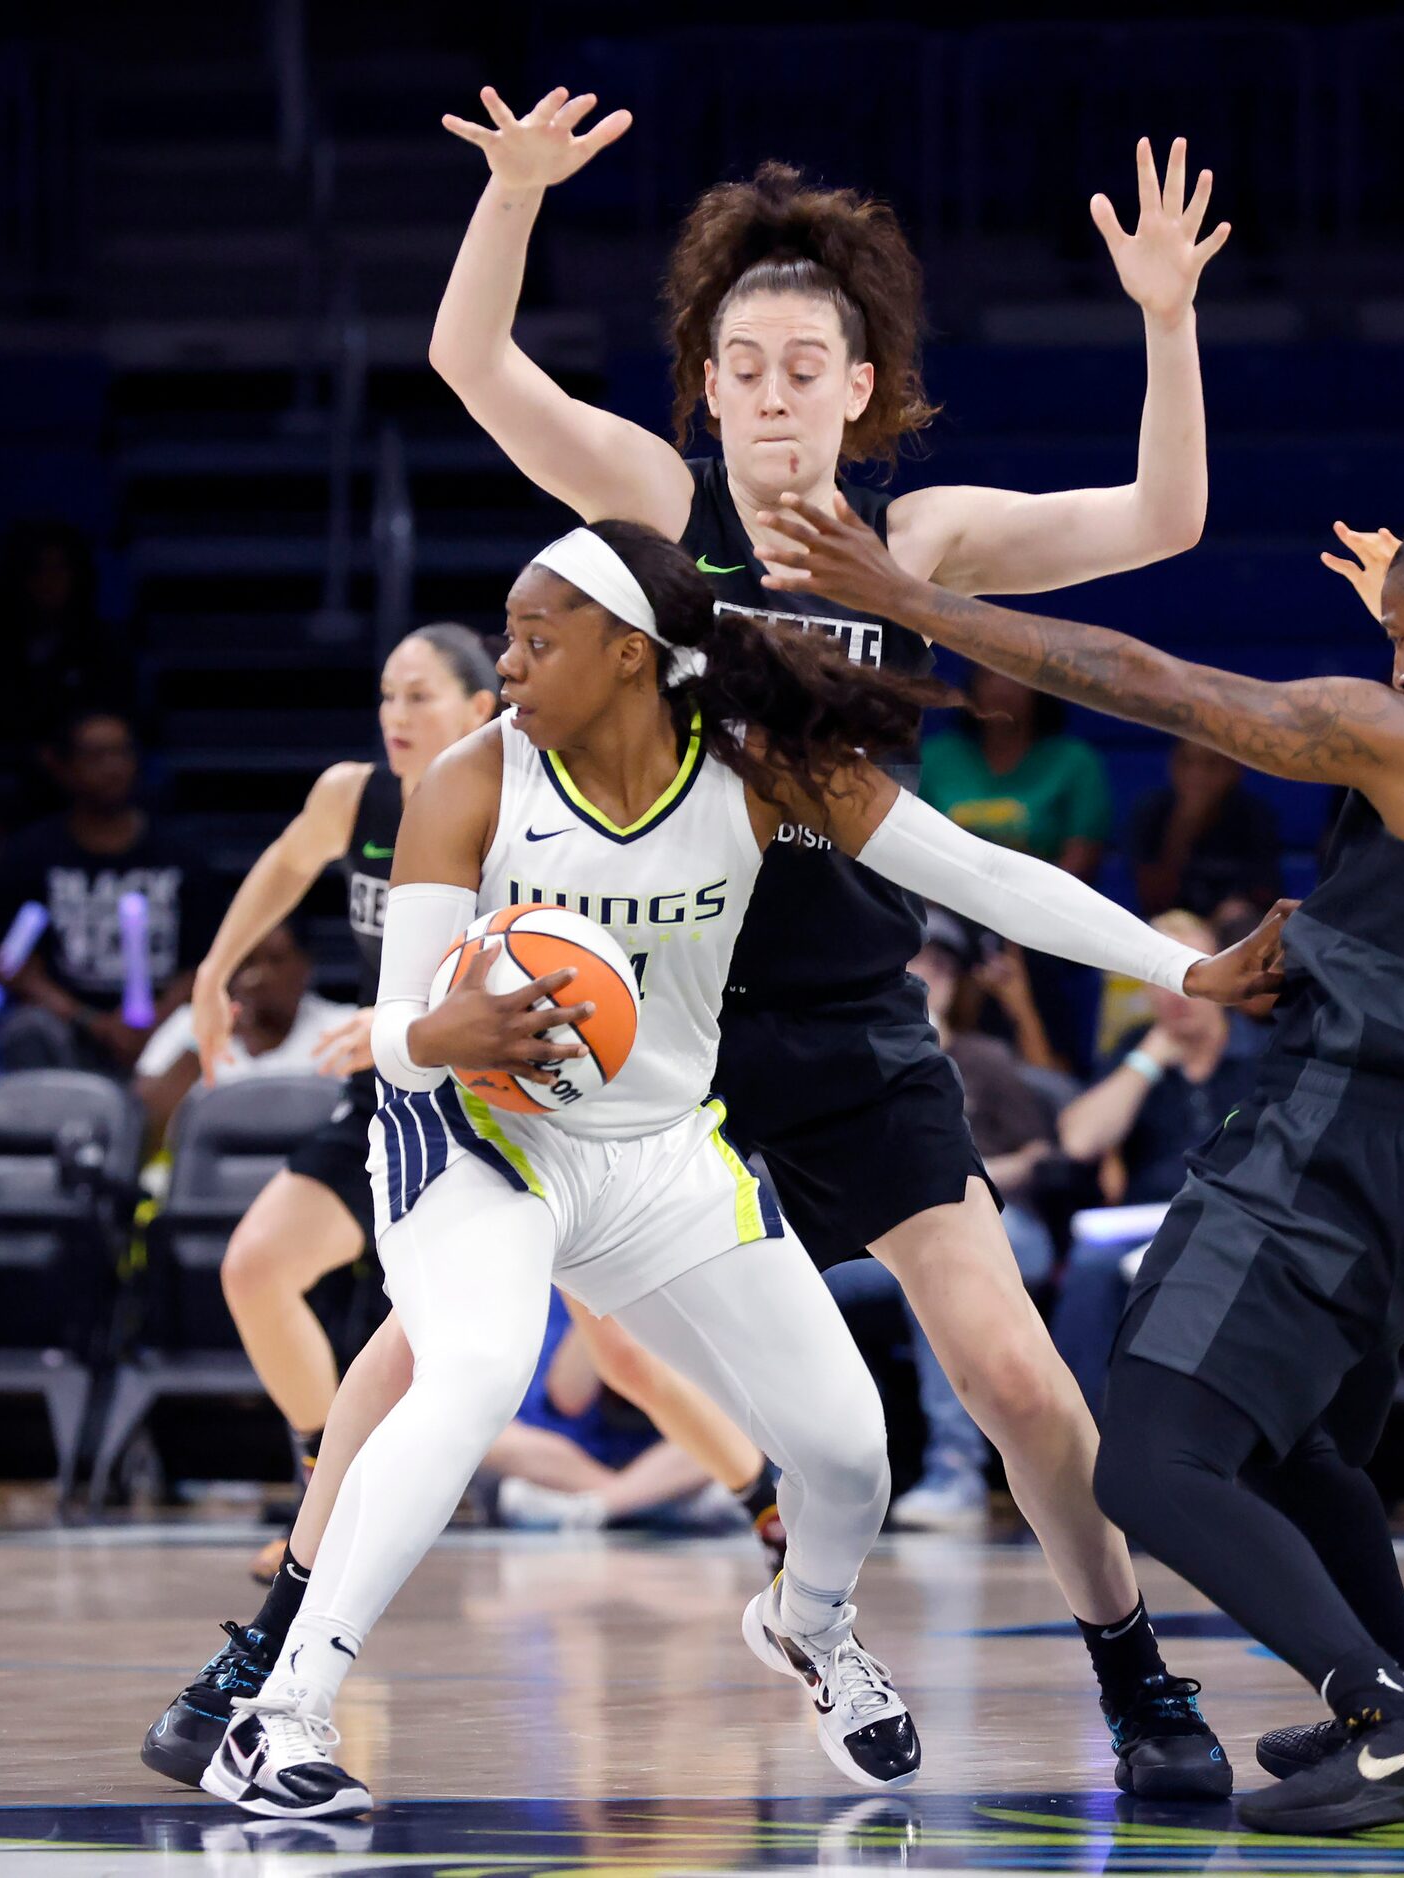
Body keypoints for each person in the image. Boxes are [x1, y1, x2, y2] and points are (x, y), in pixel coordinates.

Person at [192, 523, 1281, 1818]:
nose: (511, 663)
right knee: (472, 1366)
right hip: (478, 1142)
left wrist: (1186, 970)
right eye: (507, 636)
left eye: (539, 640)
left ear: (634, 658)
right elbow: (394, 1043)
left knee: (849, 1455)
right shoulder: (473, 783)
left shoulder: (758, 768)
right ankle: (278, 1710)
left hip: (659, 1151)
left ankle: (810, 1621)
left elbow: (980, 873)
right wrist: (441, 1029)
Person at [429, 88, 1240, 1789]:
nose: (779, 391)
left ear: (860, 383)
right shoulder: (649, 508)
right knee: (608, 1369)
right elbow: (472, 366)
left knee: (1018, 1375)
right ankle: (288, 1631)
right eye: (749, 366)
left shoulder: (919, 539)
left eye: (812, 364)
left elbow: (1163, 519)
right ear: (707, 387)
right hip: (653, 1025)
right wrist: (510, 198)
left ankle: (1133, 1670)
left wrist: (1166, 323)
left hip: (850, 1014)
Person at [763, 431, 1404, 1832]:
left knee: (1151, 1460)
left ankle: (1396, 1721)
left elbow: (1161, 686)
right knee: (1292, 1447)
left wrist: (918, 608)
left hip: (1328, 1143)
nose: (1390, 663)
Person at [180, 627, 499, 1580]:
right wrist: (214, 967)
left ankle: (765, 1504)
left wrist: (409, 1016)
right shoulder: (351, 793)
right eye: (387, 697)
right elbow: (285, 864)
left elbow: (537, 956)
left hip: (492, 1100)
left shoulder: (511, 799)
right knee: (256, 1268)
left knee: (622, 1352)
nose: (396, 717)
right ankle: (331, 1485)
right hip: (386, 1091)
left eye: (420, 697)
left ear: (481, 709)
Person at [825, 915, 1060, 1531]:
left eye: (942, 967)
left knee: (939, 1269)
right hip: (886, 1231)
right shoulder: (853, 1061)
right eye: (915, 962)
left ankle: (955, 1473)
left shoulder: (982, 1057)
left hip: (1003, 1225)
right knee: (793, 1281)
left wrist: (962, 1175)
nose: (929, 976)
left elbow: (1041, 1153)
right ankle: (793, 1473)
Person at [1047, 911, 1264, 1416]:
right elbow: (1079, 1141)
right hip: (1148, 1224)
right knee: (1090, 1267)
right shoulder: (1135, 1052)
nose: (1176, 991)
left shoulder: (1262, 1050)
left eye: (1190, 970)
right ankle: (1080, 1441)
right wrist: (1148, 1058)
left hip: (1243, 1219)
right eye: (1160, 976)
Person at [0, 710, 224, 1074]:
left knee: (209, 1029)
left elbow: (204, 961)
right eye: (96, 756)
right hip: (69, 1025)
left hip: (165, 1024)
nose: (112, 768)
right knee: (25, 1030)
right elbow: (16, 962)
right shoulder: (31, 856)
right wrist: (92, 1022)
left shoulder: (181, 855)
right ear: (61, 766)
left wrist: (152, 1022)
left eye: (122, 753)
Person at [487, 1291, 779, 1538]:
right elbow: (568, 1398)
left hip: (671, 1449)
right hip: (580, 1454)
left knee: (740, 1430)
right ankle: (655, 1504)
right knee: (499, 1439)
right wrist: (599, 1296)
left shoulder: (695, 1284)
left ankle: (597, 1507)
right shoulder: (564, 1288)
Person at [0, 518, 133, 824]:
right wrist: (34, 757)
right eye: (38, 570)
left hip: (82, 767)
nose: (48, 582)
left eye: (59, 569)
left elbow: (120, 718)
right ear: (17, 577)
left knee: (109, 780)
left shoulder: (104, 645)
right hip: (1, 773)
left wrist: (72, 757)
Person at [131, 923, 352, 1153]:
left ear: (304, 966)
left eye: (275, 960)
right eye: (247, 963)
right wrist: (206, 1038)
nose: (258, 976)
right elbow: (145, 1125)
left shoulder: (342, 1027)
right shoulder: (192, 1024)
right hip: (205, 1183)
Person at [922, 669, 1113, 879]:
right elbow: (911, 852)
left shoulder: (1075, 761)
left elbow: (1082, 859)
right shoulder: (934, 758)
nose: (1001, 688)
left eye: (1013, 674)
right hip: (942, 904)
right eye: (988, 675)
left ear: (1039, 686)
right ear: (972, 684)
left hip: (1039, 902)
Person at [1127, 738, 1282, 919]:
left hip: (1235, 926)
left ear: (1234, 768)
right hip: (1175, 926)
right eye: (1187, 762)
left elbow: (1265, 896)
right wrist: (1183, 826)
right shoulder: (1151, 812)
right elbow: (1153, 901)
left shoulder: (1254, 816)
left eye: (1211, 764)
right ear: (1172, 764)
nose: (1197, 775)